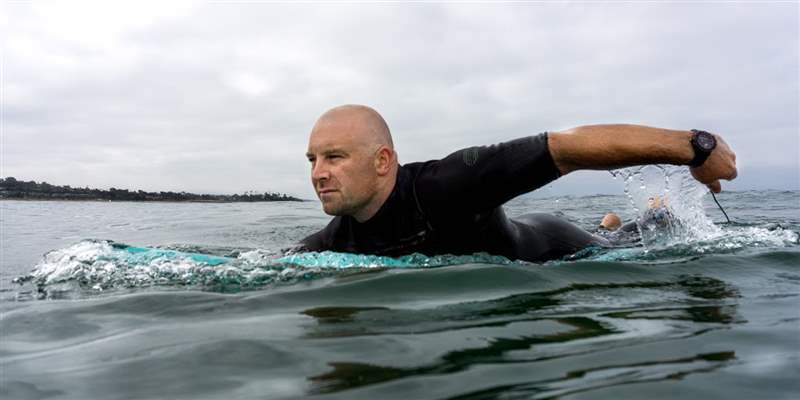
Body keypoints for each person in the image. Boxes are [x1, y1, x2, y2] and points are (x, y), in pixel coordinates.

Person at [298, 104, 737, 262]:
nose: (319, 173)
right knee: (610, 229)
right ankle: (608, 221)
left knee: (621, 242)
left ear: (382, 161)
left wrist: (696, 147)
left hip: (554, 247)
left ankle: (647, 215)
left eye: (334, 157)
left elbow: (566, 148)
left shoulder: (448, 184)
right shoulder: (330, 243)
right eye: (313, 160)